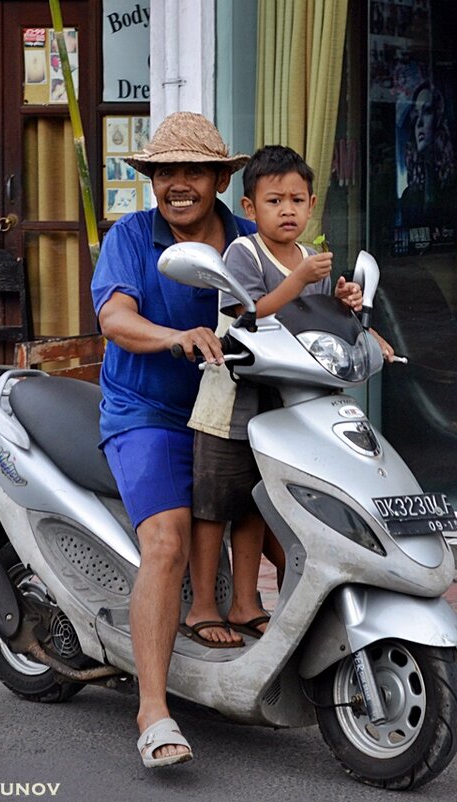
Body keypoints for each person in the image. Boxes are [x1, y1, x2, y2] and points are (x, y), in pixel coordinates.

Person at [90, 111, 254, 769]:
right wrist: (173, 336)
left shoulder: (248, 239)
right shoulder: (131, 236)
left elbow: (294, 292)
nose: (177, 184)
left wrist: (352, 312)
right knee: (166, 542)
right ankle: (153, 710)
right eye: (165, 172)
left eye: (192, 171)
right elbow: (116, 318)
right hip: (146, 412)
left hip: (232, 413)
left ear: (218, 177)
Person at [184, 145, 396, 649]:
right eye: (274, 200)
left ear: (312, 204)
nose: (287, 211)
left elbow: (312, 323)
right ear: (250, 207)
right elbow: (250, 313)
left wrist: (340, 301)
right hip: (231, 401)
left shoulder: (311, 260)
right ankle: (202, 606)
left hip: (285, 404)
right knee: (215, 505)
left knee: (258, 503)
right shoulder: (242, 252)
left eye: (297, 200)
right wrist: (301, 282)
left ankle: (245, 602)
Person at [398, 81, 455, 227]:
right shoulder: (408, 197)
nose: (419, 123)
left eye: (427, 111)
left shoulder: (451, 190)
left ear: (438, 118)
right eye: (416, 115)